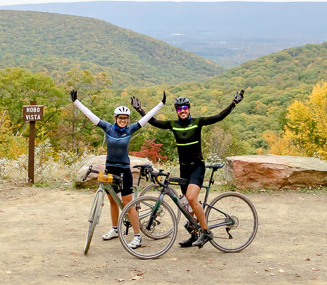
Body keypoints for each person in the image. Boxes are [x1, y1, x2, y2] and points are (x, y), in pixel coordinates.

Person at [131, 88, 246, 248]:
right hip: (184, 168)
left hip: (197, 167)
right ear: (177, 111)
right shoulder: (173, 125)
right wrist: (139, 109)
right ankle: (194, 233)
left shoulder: (197, 123)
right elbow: (154, 122)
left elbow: (218, 117)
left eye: (185, 108)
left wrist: (234, 103)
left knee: (191, 198)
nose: (182, 111)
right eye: (179, 109)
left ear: (189, 109)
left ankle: (206, 232)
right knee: (185, 203)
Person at [71, 89, 165, 248]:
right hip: (110, 170)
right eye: (121, 118)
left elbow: (147, 118)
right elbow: (91, 115)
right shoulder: (108, 128)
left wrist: (161, 104)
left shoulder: (130, 129)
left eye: (126, 118)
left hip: (124, 172)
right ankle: (115, 229)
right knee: (113, 201)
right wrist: (76, 102)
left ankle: (137, 236)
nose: (123, 120)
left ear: (128, 120)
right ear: (115, 118)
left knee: (128, 204)